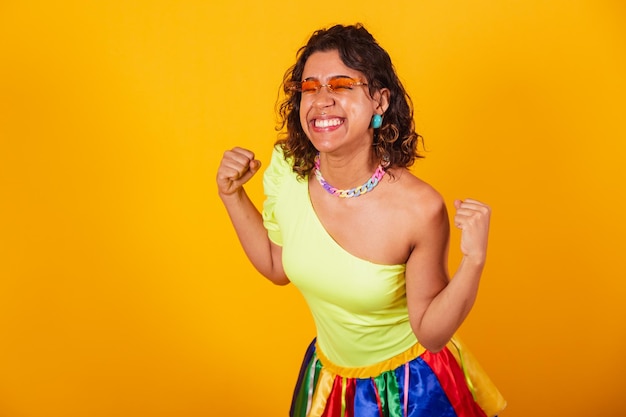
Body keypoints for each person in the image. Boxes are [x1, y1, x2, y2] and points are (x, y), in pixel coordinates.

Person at [216, 23, 506, 417]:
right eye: (309, 87)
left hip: (412, 389)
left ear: (379, 102)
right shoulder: (287, 172)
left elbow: (432, 334)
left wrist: (473, 261)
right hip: (329, 381)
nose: (321, 100)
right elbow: (275, 265)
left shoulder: (419, 208)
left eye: (341, 85)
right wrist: (232, 195)